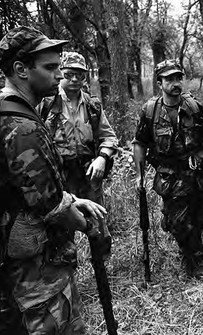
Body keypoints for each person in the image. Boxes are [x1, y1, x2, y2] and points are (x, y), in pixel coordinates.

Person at [0, 26, 107, 334]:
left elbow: (27, 187)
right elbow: (51, 207)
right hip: (33, 273)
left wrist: (72, 198)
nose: (59, 75)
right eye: (49, 68)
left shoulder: (14, 112)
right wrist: (89, 225)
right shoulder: (22, 127)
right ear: (21, 69)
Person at [133, 59, 203, 278]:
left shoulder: (194, 107)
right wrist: (139, 174)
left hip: (198, 173)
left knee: (199, 217)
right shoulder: (150, 111)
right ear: (159, 82)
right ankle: (190, 256)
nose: (175, 83)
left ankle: (196, 256)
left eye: (178, 78)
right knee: (179, 222)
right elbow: (139, 143)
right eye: (169, 79)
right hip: (170, 177)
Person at [39, 51, 118, 206]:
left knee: (96, 222)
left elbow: (109, 137)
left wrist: (102, 158)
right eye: (69, 74)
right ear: (59, 73)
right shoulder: (45, 103)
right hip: (59, 178)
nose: (74, 79)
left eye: (80, 75)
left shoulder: (92, 105)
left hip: (89, 176)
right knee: (63, 223)